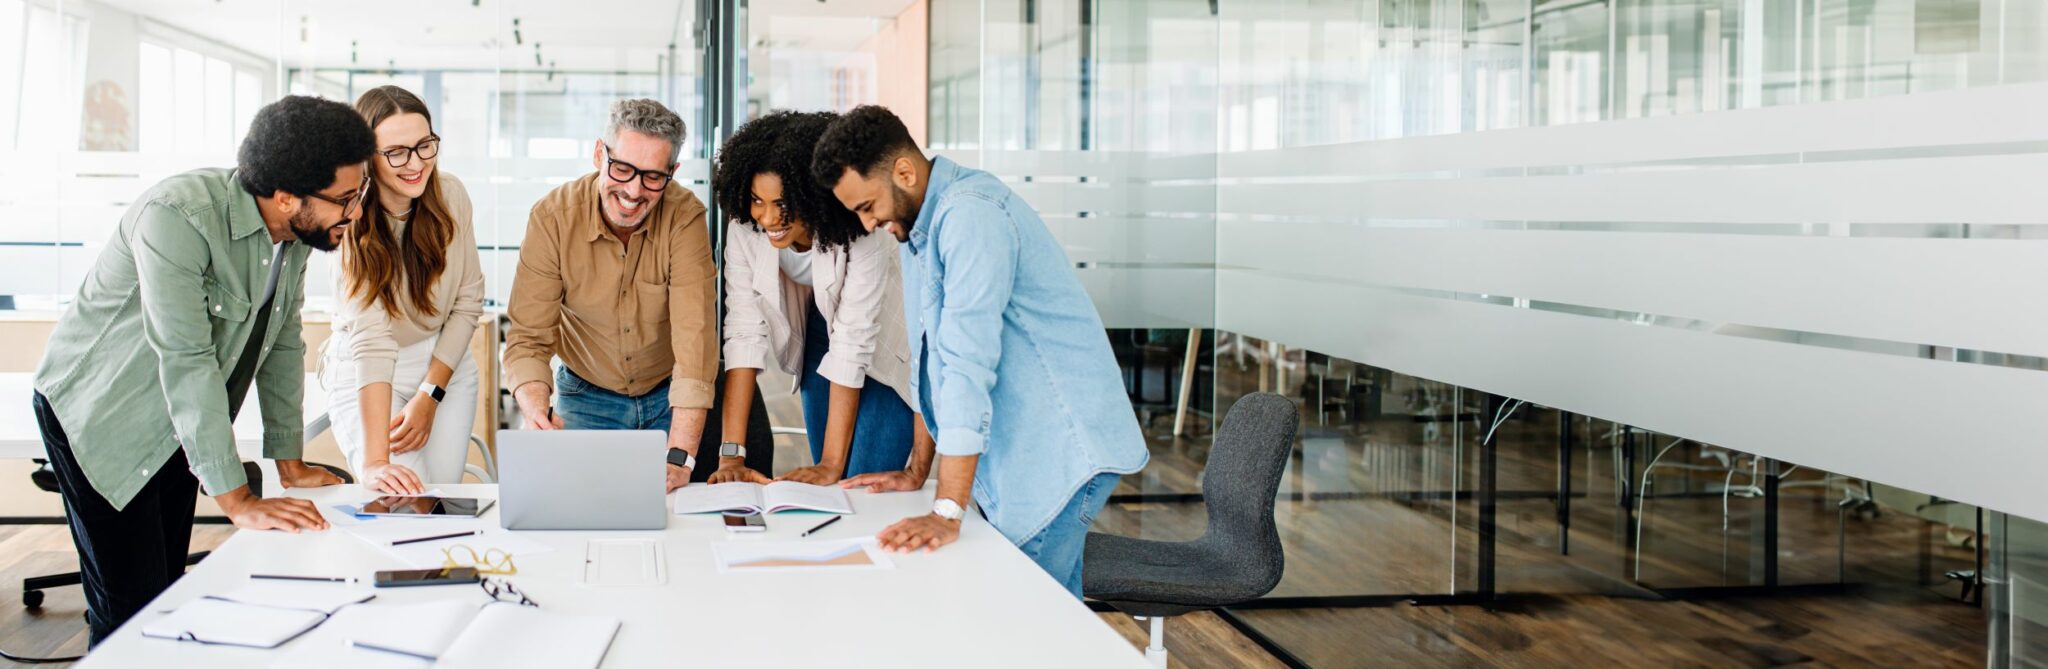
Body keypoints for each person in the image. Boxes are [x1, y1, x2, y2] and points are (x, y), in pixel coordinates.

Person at [31, 95, 369, 643]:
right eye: (346, 199)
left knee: (166, 595)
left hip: (178, 420)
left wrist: (289, 462)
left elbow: (282, 341)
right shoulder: (177, 216)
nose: (356, 212)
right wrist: (238, 501)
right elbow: (186, 358)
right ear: (286, 197)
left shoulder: (297, 234)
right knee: (129, 615)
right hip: (101, 414)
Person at [811, 105, 1149, 597]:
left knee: (1019, 611)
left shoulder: (971, 215)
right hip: (1022, 453)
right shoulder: (918, 229)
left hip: (1060, 449)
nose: (866, 223)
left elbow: (966, 365)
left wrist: (947, 510)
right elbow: (930, 360)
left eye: (867, 206)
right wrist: (916, 471)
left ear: (904, 172)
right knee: (1038, 616)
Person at [504, 98, 771, 490]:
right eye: (622, 169)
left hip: (669, 394)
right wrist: (535, 411)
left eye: (652, 177)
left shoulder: (684, 217)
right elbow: (529, 339)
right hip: (586, 394)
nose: (633, 190)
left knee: (675, 512)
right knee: (576, 505)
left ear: (672, 173)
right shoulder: (552, 219)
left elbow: (695, 343)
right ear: (600, 154)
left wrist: (680, 457)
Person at [708, 110, 934, 487]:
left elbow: (853, 341)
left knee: (861, 479)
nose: (767, 218)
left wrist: (831, 463)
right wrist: (732, 454)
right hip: (818, 327)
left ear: (811, 196)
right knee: (827, 480)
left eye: (782, 203)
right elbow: (744, 333)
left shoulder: (861, 228)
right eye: (757, 200)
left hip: (885, 340)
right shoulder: (746, 228)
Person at [324, 85, 485, 494]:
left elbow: (467, 301)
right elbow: (373, 342)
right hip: (370, 369)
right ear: (367, 158)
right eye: (396, 152)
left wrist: (430, 393)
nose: (415, 163)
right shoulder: (349, 220)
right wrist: (376, 462)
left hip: (444, 365)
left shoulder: (451, 195)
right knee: (406, 499)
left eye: (424, 145)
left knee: (441, 498)